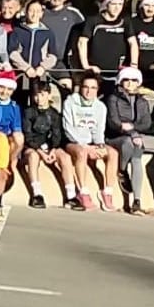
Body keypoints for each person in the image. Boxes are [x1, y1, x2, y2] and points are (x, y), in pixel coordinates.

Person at [103, 66, 154, 214]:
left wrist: (131, 129)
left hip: (135, 137)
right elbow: (113, 122)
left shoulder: (142, 102)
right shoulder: (113, 99)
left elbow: (146, 123)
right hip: (115, 137)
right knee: (128, 142)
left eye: (134, 80)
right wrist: (133, 133)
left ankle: (136, 201)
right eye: (126, 80)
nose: (130, 83)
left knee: (137, 159)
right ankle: (122, 170)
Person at [61, 72, 115, 211]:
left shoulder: (100, 107)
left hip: (92, 143)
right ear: (80, 88)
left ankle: (107, 192)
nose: (89, 91)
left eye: (93, 88)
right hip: (73, 142)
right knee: (81, 152)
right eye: (86, 87)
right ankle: (83, 192)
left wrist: (100, 145)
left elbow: (99, 130)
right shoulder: (70, 102)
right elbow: (68, 129)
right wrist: (86, 146)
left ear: (97, 90)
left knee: (113, 153)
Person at [7, 0, 60, 94]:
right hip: (20, 74)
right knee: (20, 101)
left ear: (42, 13)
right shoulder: (17, 31)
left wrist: (43, 67)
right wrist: (26, 67)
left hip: (40, 75)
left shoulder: (48, 33)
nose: (34, 14)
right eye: (31, 10)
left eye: (38, 11)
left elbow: (53, 56)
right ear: (26, 12)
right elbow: (12, 52)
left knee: (38, 99)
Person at [76, 0, 132, 76]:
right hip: (96, 71)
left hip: (118, 71)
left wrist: (133, 65)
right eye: (113, 4)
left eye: (120, 4)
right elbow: (82, 42)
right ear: (106, 4)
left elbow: (133, 43)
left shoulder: (125, 21)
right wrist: (86, 66)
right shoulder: (93, 21)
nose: (117, 7)